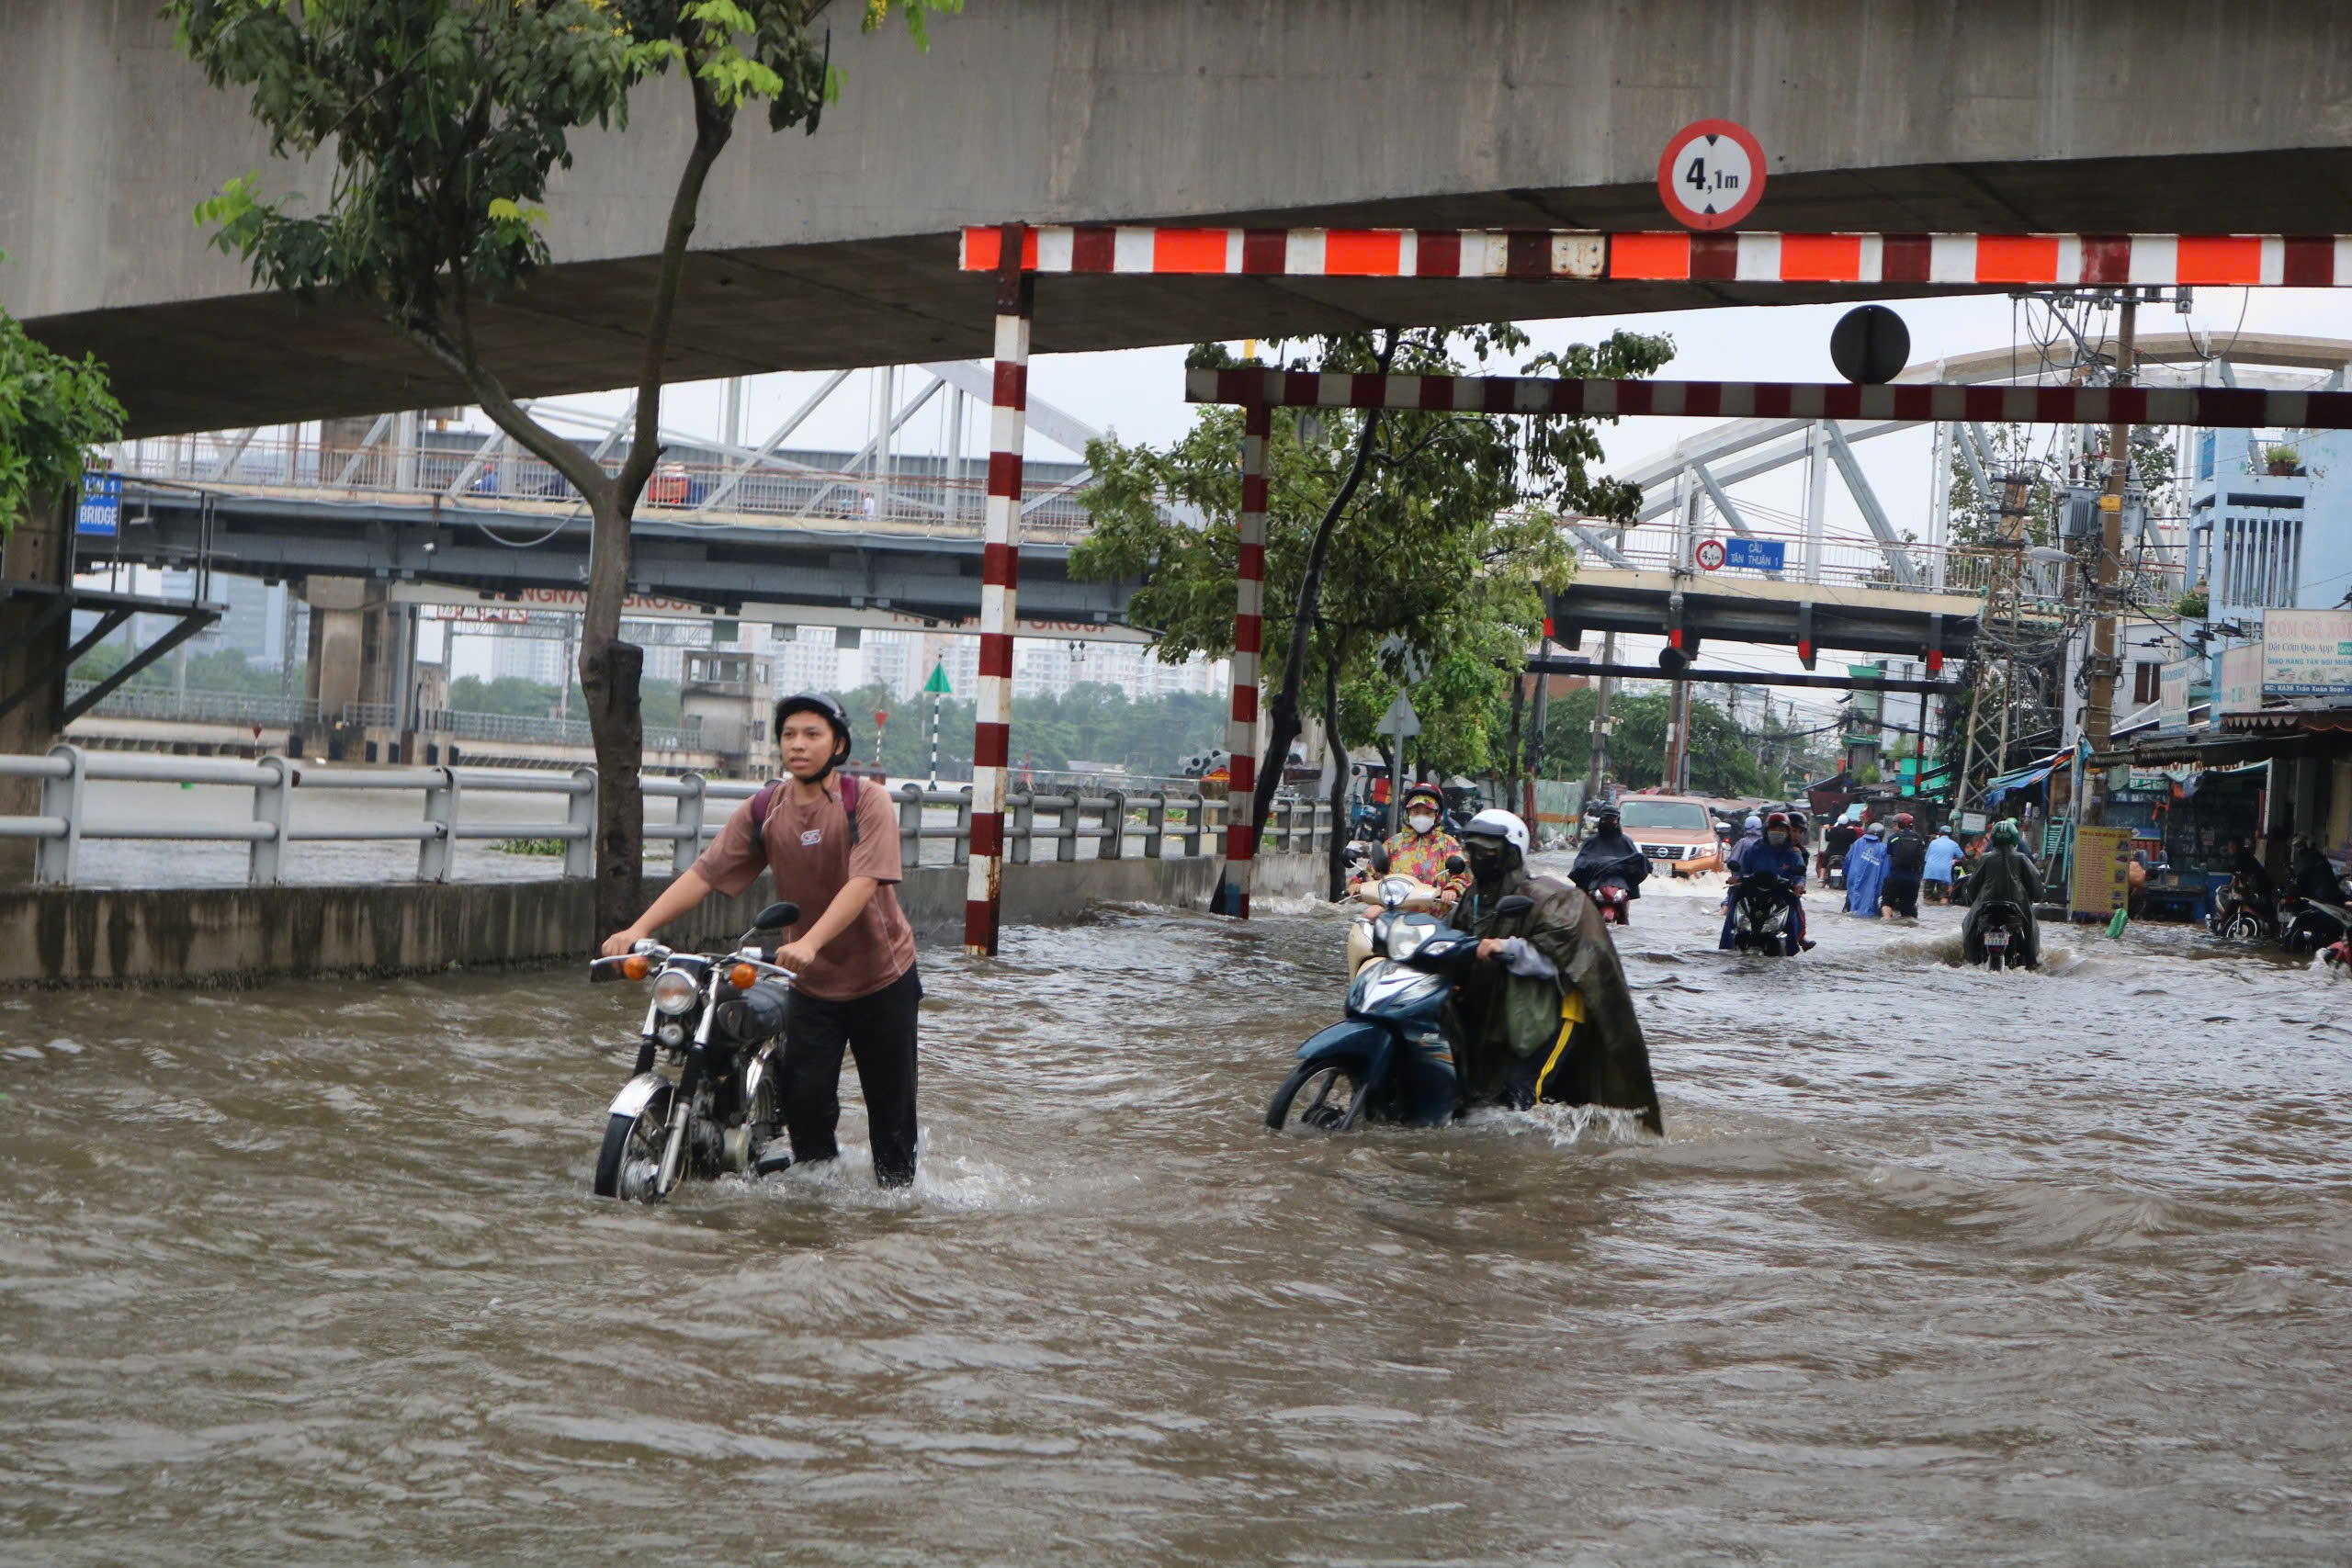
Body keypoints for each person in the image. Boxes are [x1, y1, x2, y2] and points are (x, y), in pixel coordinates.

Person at [602, 693, 922, 1188]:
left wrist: (811, 942)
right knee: (806, 1104)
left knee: (892, 1120)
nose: (798, 745)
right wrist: (638, 929)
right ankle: (820, 1208)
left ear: (838, 744)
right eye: (789, 735)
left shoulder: (866, 801)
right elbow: (706, 873)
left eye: (812, 735)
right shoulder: (765, 809)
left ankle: (896, 1212)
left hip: (882, 980)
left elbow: (863, 885)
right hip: (813, 986)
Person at [1453, 809, 1663, 1133]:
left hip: (1555, 1013)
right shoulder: (1473, 899)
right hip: (1509, 1012)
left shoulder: (1549, 898)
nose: (1479, 858)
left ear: (1511, 853)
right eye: (1474, 851)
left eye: (1488, 851)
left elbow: (1559, 954)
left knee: (1521, 1095)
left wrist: (1505, 947)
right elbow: (1449, 936)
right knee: (1477, 1095)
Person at [1354, 781, 1469, 908]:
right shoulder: (1393, 843)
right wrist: (1358, 885)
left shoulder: (1448, 844)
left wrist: (1452, 890)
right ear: (1408, 813)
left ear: (1437, 816)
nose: (1421, 816)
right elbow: (1372, 872)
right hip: (1392, 916)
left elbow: (1463, 876)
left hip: (1434, 920)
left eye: (1427, 812)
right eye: (1416, 811)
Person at [1720, 810, 1810, 954]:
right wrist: (1736, 877)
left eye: (1781, 829)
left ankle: (1793, 948)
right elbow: (1742, 869)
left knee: (1795, 911)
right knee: (1733, 904)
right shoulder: (1754, 850)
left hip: (1781, 893)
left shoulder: (1794, 854)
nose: (1777, 832)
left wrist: (1799, 885)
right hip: (1753, 892)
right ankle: (1726, 946)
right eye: (1774, 828)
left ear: (1787, 832)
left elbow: (1799, 875)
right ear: (1766, 830)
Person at [1959, 818, 2043, 967]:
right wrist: (2038, 895)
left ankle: (1970, 959)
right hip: (2017, 906)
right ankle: (2032, 961)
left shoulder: (1985, 858)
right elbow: (2035, 883)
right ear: (2015, 838)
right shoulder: (2021, 858)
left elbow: (1972, 886)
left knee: (1969, 923)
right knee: (2030, 926)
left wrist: (1972, 899)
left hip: (1986, 905)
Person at [1569, 804, 1652, 908]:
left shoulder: (1625, 841)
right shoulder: (1591, 841)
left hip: (1619, 885)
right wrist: (1592, 866)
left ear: (1618, 820)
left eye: (1612, 820)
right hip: (1596, 882)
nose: (1609, 823)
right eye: (1606, 819)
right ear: (1601, 820)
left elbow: (1634, 861)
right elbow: (1581, 861)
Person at [1882, 811, 1928, 919]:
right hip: (1913, 879)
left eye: (1895, 824)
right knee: (1908, 907)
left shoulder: (1893, 838)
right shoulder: (1919, 839)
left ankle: (1886, 923)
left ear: (1900, 824)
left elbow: (1889, 856)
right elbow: (1921, 857)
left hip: (1895, 877)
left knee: (1887, 902)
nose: (1894, 826)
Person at [1844, 821, 1890, 917]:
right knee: (1869, 909)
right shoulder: (1883, 848)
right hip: (1872, 882)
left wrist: (1845, 874)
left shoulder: (1857, 843)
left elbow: (1848, 859)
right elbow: (1885, 869)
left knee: (1852, 902)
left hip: (1853, 878)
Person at [2291, 834, 2341, 903]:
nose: (2297, 849)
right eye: (2296, 846)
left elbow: (2301, 874)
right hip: (2332, 892)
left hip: (2320, 896)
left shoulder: (2308, 857)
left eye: (2299, 846)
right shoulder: (2318, 855)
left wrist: (2296, 883)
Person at [1922, 826, 1963, 905]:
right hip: (1944, 872)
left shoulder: (1933, 842)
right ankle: (1943, 911)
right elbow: (1961, 857)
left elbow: (1926, 859)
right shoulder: (1954, 844)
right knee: (1944, 896)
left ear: (1940, 833)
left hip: (1930, 871)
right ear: (1950, 834)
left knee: (1927, 897)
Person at [1821, 810, 1859, 882]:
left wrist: (1826, 830)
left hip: (1830, 853)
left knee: (1824, 862)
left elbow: (1827, 839)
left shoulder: (1833, 830)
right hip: (1844, 854)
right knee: (1850, 864)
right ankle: (1848, 879)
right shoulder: (1850, 831)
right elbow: (1854, 840)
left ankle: (1822, 878)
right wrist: (1852, 830)